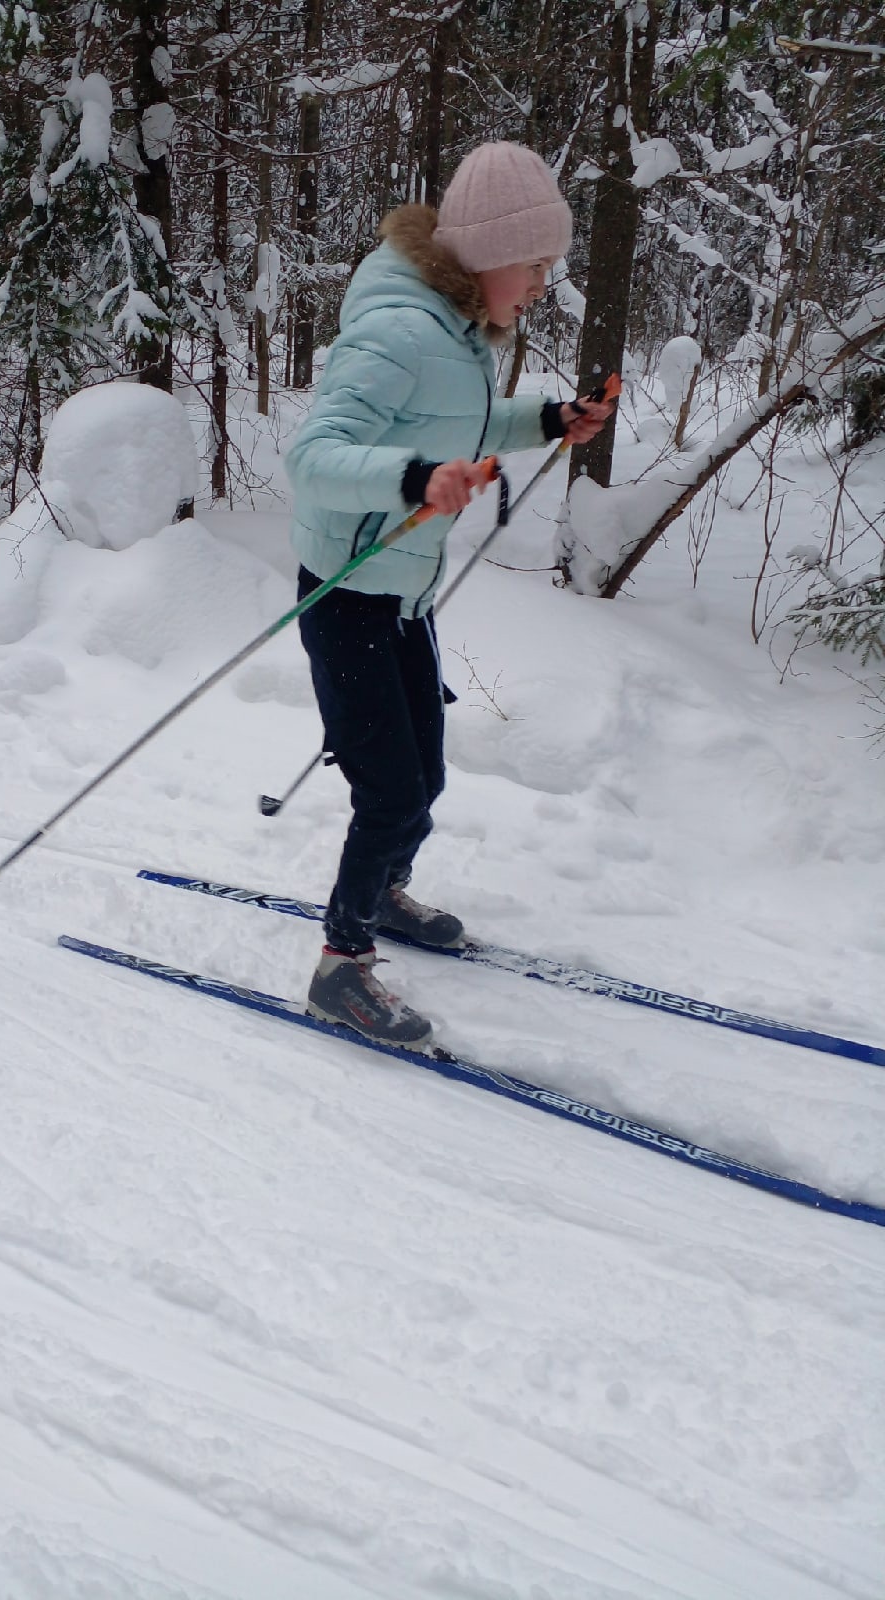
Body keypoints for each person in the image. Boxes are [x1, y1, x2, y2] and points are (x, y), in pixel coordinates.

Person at [285, 141, 613, 1048]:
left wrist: (549, 419)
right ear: (486, 252)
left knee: (424, 777)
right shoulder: (398, 333)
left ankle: (382, 895)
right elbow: (310, 460)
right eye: (536, 265)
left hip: (405, 595)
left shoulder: (454, 330)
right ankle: (340, 970)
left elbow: (457, 421)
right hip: (349, 590)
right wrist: (416, 478)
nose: (542, 284)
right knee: (388, 791)